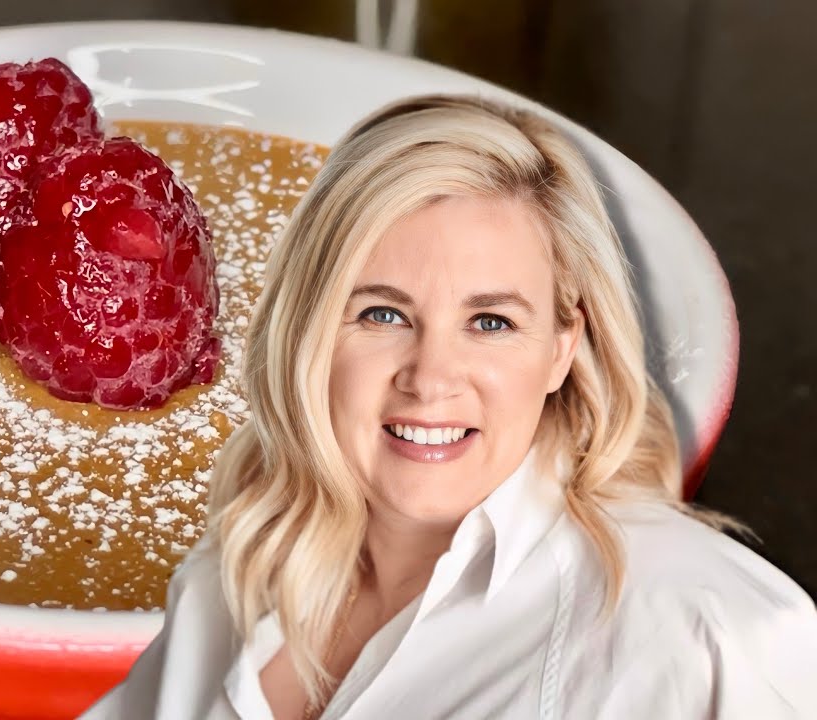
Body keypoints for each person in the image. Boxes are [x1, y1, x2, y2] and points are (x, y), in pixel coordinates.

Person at [80, 94, 817, 719]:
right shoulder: (239, 571)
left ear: (563, 347)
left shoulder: (704, 632)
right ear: (307, 328)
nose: (431, 379)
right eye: (382, 315)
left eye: (491, 322)